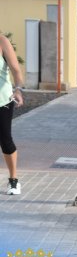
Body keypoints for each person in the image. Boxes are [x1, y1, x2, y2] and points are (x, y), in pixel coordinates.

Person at [0, 34, 24, 195]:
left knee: (5, 140)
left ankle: (13, 180)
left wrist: (18, 90)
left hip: (2, 101)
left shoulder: (2, 41)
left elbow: (16, 70)